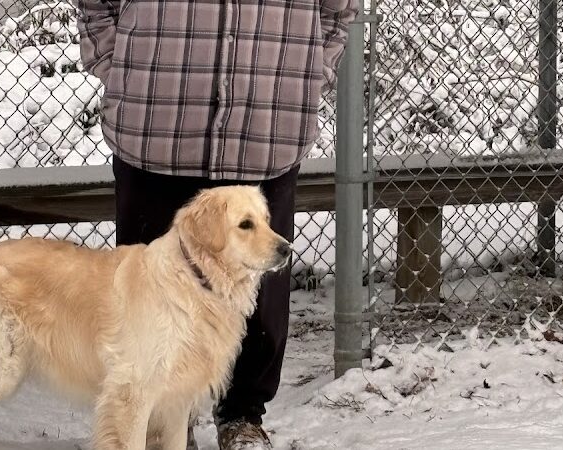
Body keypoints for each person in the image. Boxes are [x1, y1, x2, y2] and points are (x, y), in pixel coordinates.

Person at [77, 1, 358, 448]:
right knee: (147, 297)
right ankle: (159, 419)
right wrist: (121, 67)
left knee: (259, 295)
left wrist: (309, 75)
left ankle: (243, 417)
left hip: (265, 124)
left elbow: (338, 11)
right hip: (156, 123)